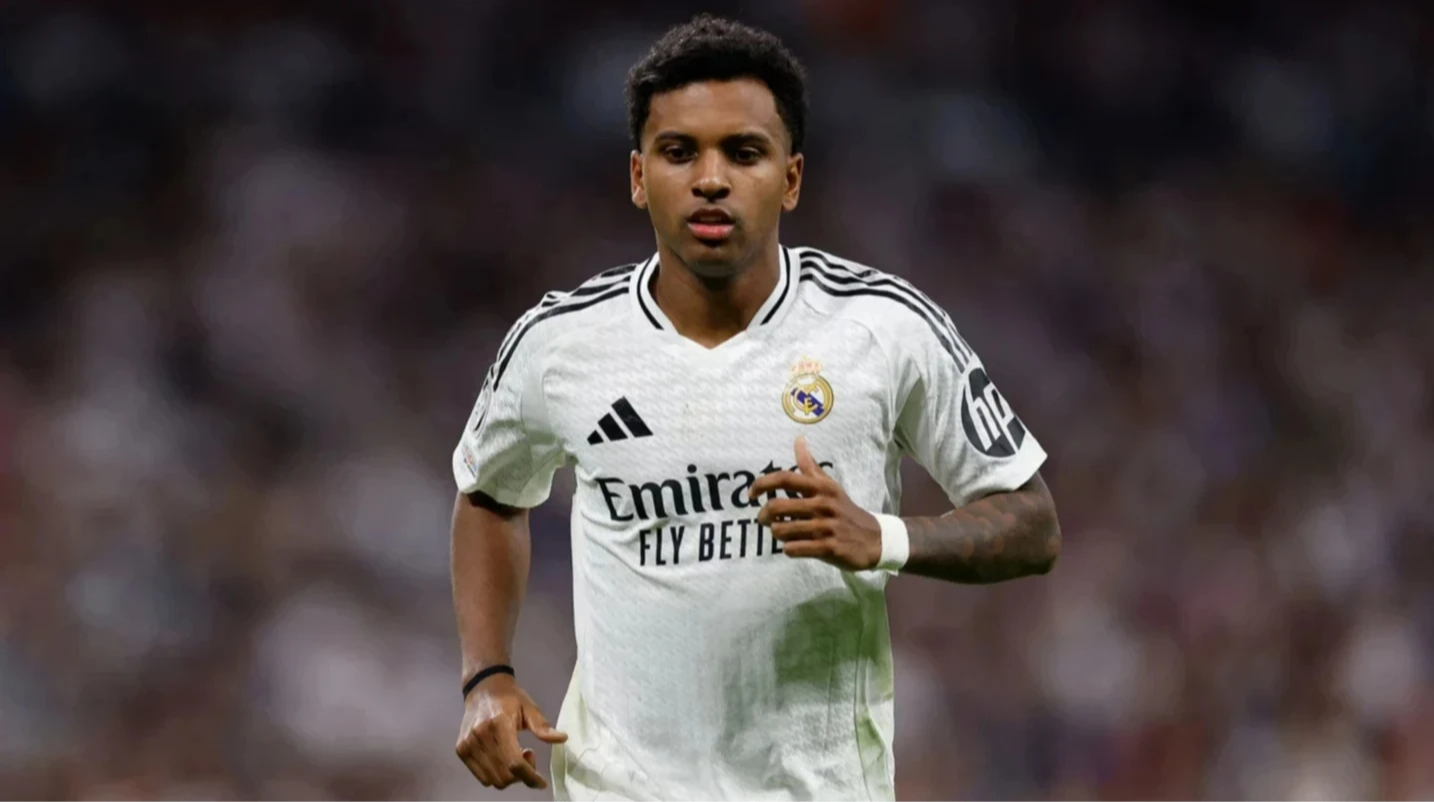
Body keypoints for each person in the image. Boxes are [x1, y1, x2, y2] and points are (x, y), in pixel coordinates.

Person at [449, 14, 1061, 801]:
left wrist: (884, 538)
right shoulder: (559, 344)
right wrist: (487, 675)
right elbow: (490, 495)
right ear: (638, 176)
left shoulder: (883, 328)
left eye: (743, 153)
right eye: (679, 152)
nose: (711, 179)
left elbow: (1032, 522)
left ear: (791, 178)